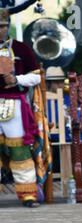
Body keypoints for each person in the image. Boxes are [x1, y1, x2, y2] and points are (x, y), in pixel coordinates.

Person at [0, 8, 41, 208]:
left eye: (2, 26)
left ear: (7, 27)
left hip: (13, 103)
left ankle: (28, 194)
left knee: (19, 149)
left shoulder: (21, 48)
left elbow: (37, 76)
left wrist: (16, 79)